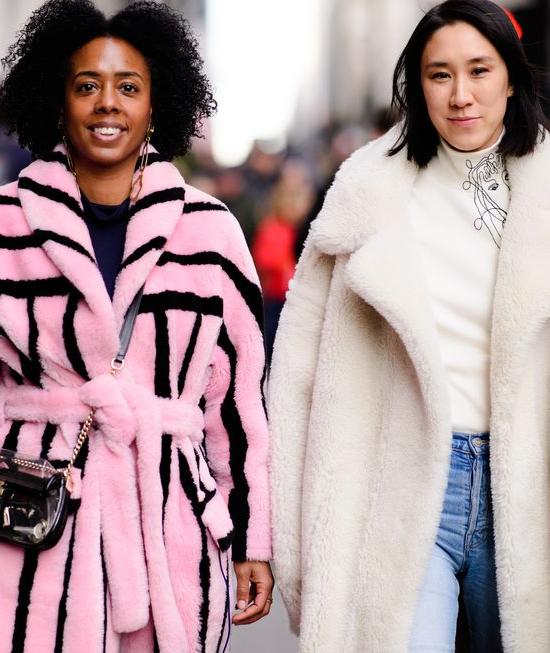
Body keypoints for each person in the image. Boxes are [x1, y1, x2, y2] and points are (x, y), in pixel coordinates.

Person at [269, 1, 550, 651]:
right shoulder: (366, 189)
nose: (460, 94)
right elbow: (297, 373)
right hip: (401, 483)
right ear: (417, 86)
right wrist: (290, 537)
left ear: (512, 78)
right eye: (439, 74)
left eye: (479, 70)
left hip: (528, 484)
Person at [0, 1, 273, 651]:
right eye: (86, 85)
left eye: (128, 87)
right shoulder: (6, 223)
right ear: (58, 102)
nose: (107, 103)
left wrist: (250, 536)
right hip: (33, 525)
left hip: (172, 525)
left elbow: (236, 404)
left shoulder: (211, 232)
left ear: (156, 105)